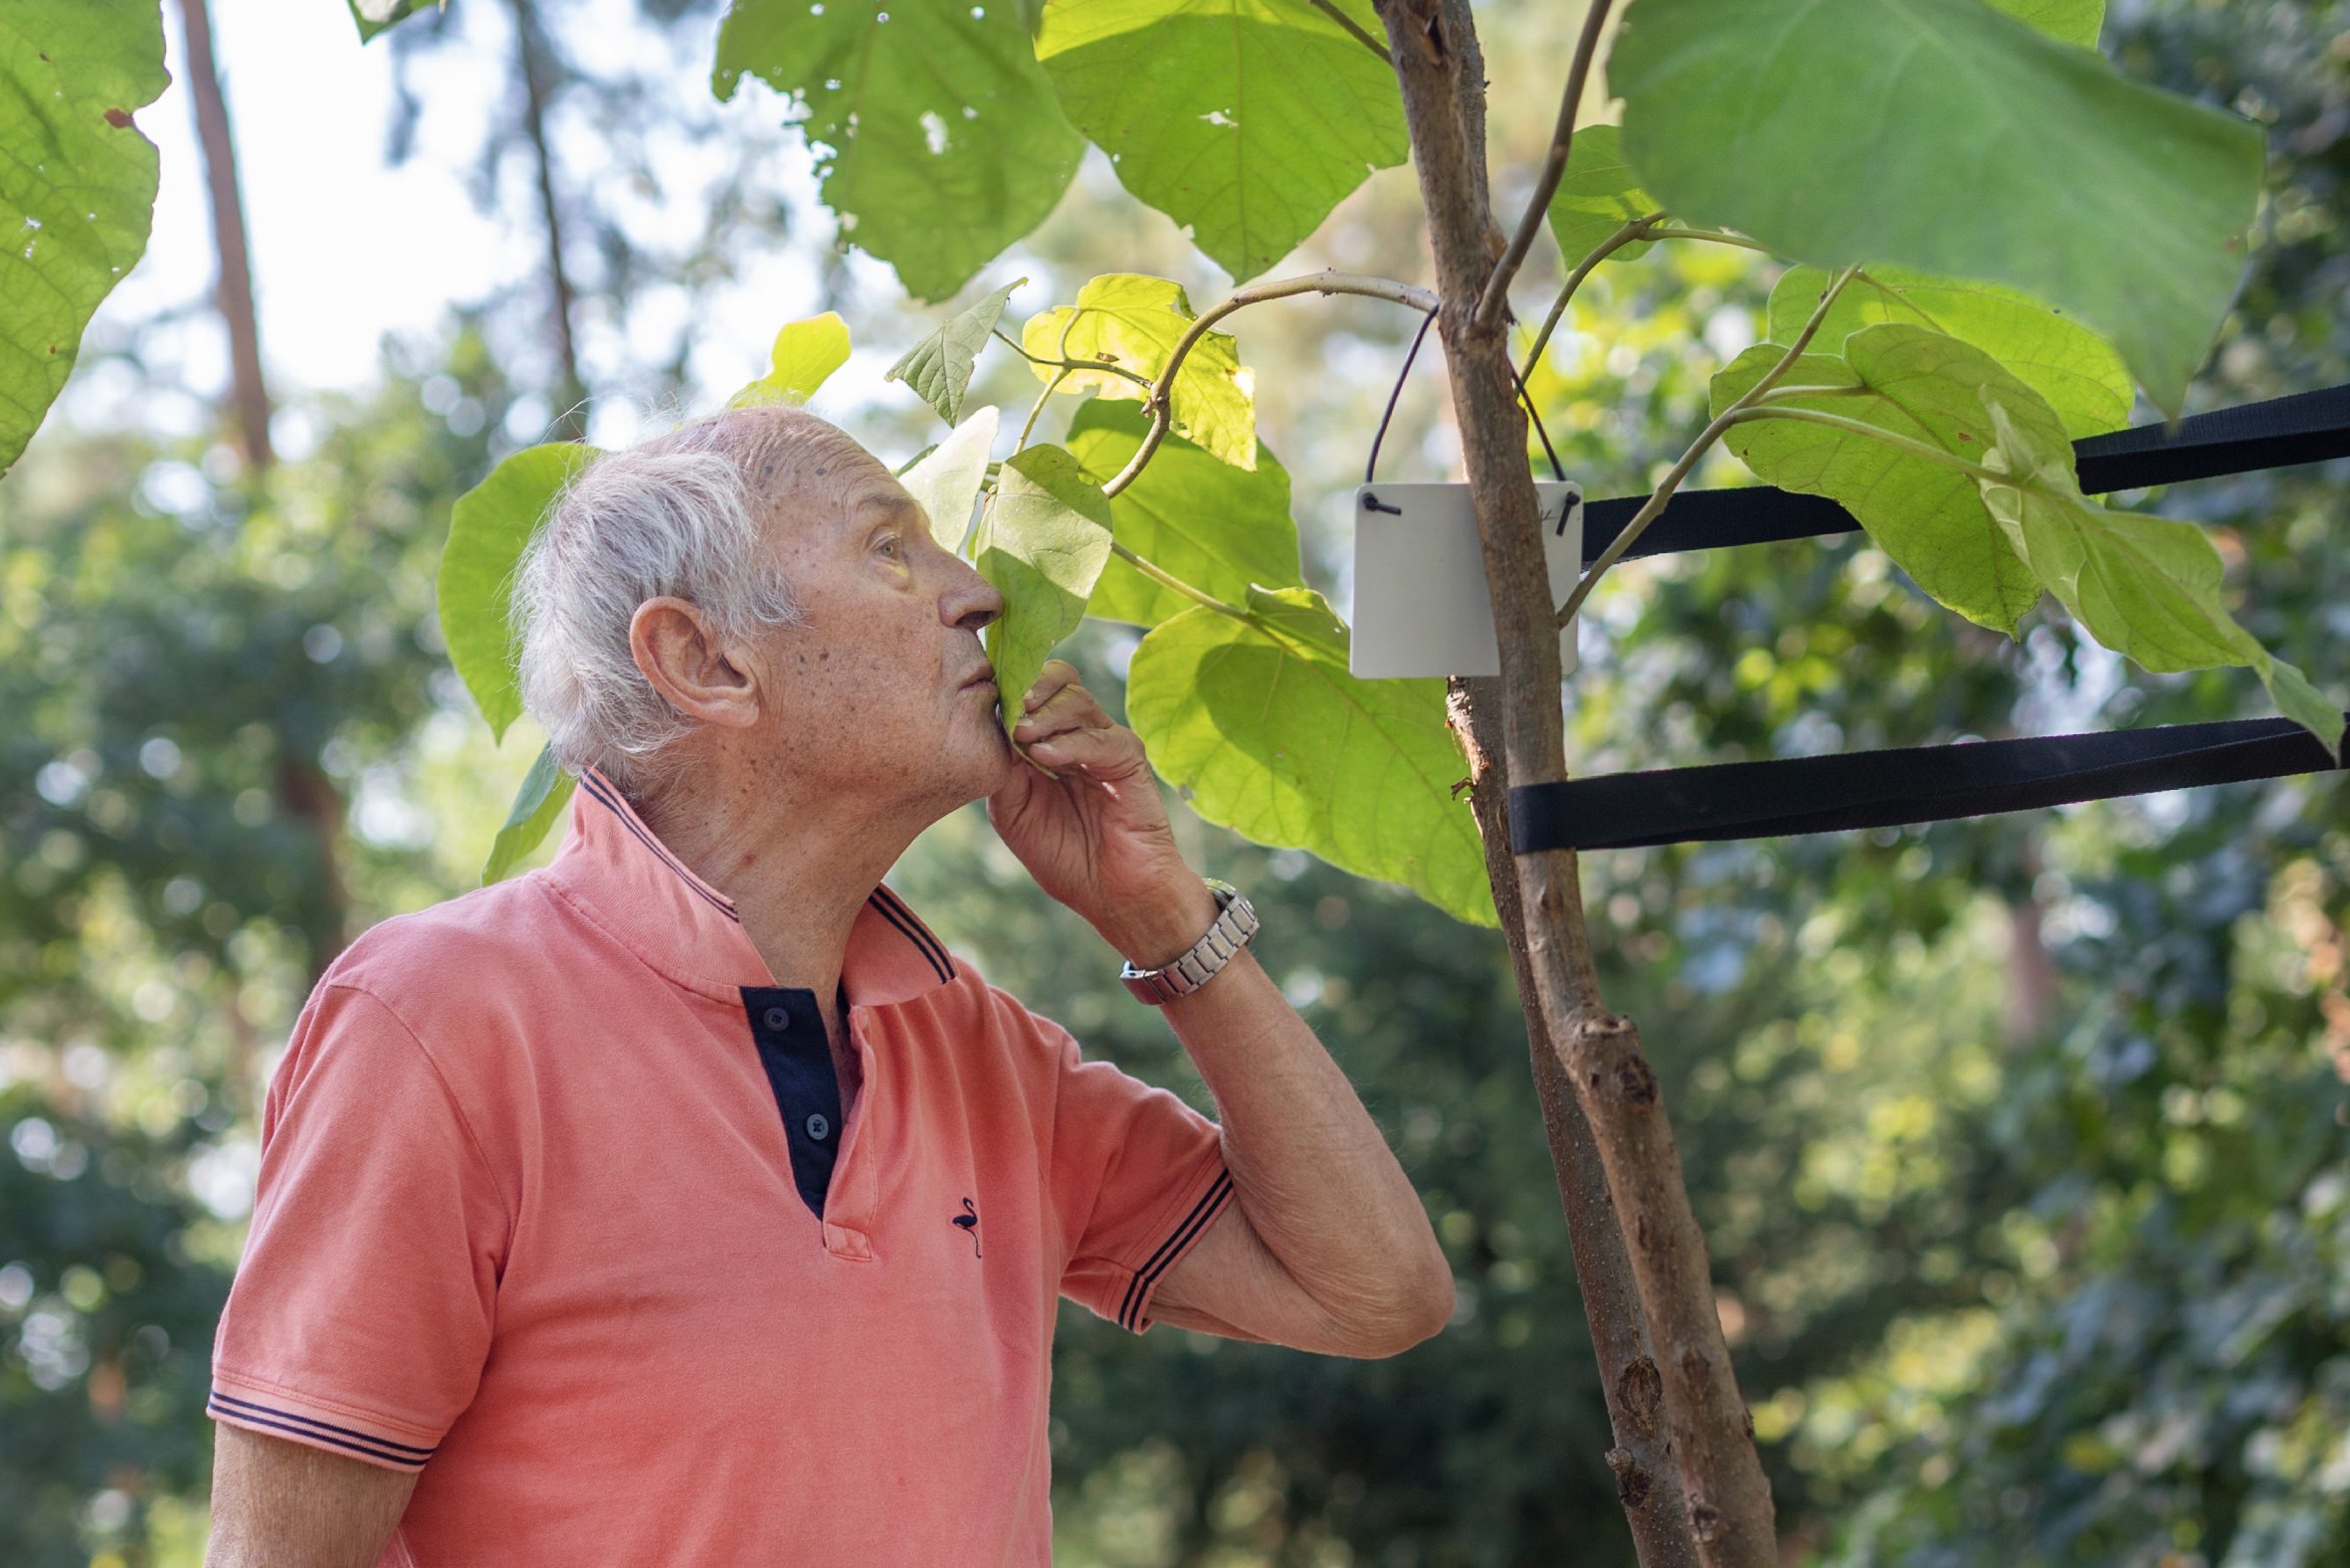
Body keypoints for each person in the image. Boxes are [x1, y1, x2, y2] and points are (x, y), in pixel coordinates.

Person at [200, 406, 1455, 1567]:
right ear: (705, 660)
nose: (977, 595)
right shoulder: (436, 1020)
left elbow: (1371, 1288)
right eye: (891, 549)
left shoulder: (976, 1048)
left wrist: (1167, 923)